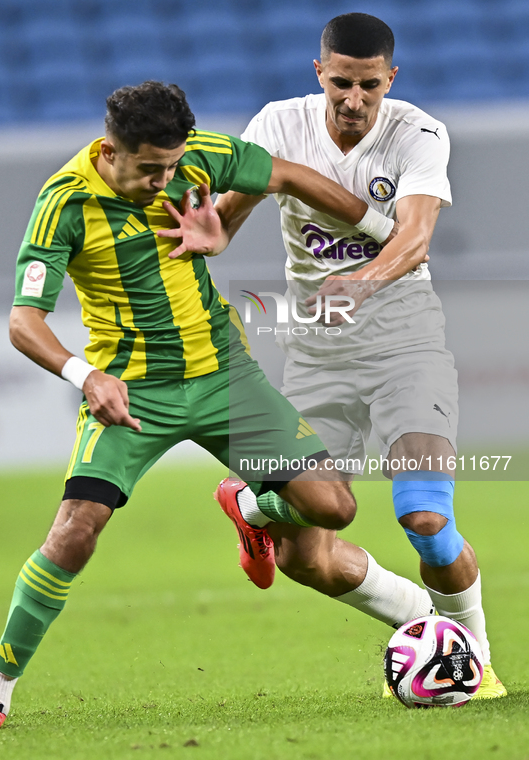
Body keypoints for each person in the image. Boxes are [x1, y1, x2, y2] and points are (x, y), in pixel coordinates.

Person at [0, 80, 435, 733]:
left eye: (173, 166)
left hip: (221, 375)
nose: (166, 180)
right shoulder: (63, 203)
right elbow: (22, 321)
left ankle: (250, 503)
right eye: (151, 169)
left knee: (333, 508)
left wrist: (380, 230)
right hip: (131, 392)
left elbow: (287, 174)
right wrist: (84, 374)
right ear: (111, 149)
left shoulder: (197, 155)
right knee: (74, 532)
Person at [171, 13, 506, 699]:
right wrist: (209, 235)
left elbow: (413, 238)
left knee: (425, 518)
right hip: (317, 350)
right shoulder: (278, 124)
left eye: (369, 86)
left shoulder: (417, 133)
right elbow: (226, 221)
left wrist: (361, 282)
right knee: (307, 557)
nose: (354, 99)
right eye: (341, 84)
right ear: (319, 72)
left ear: (389, 79)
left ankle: (473, 659)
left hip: (404, 337)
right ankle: (418, 625)